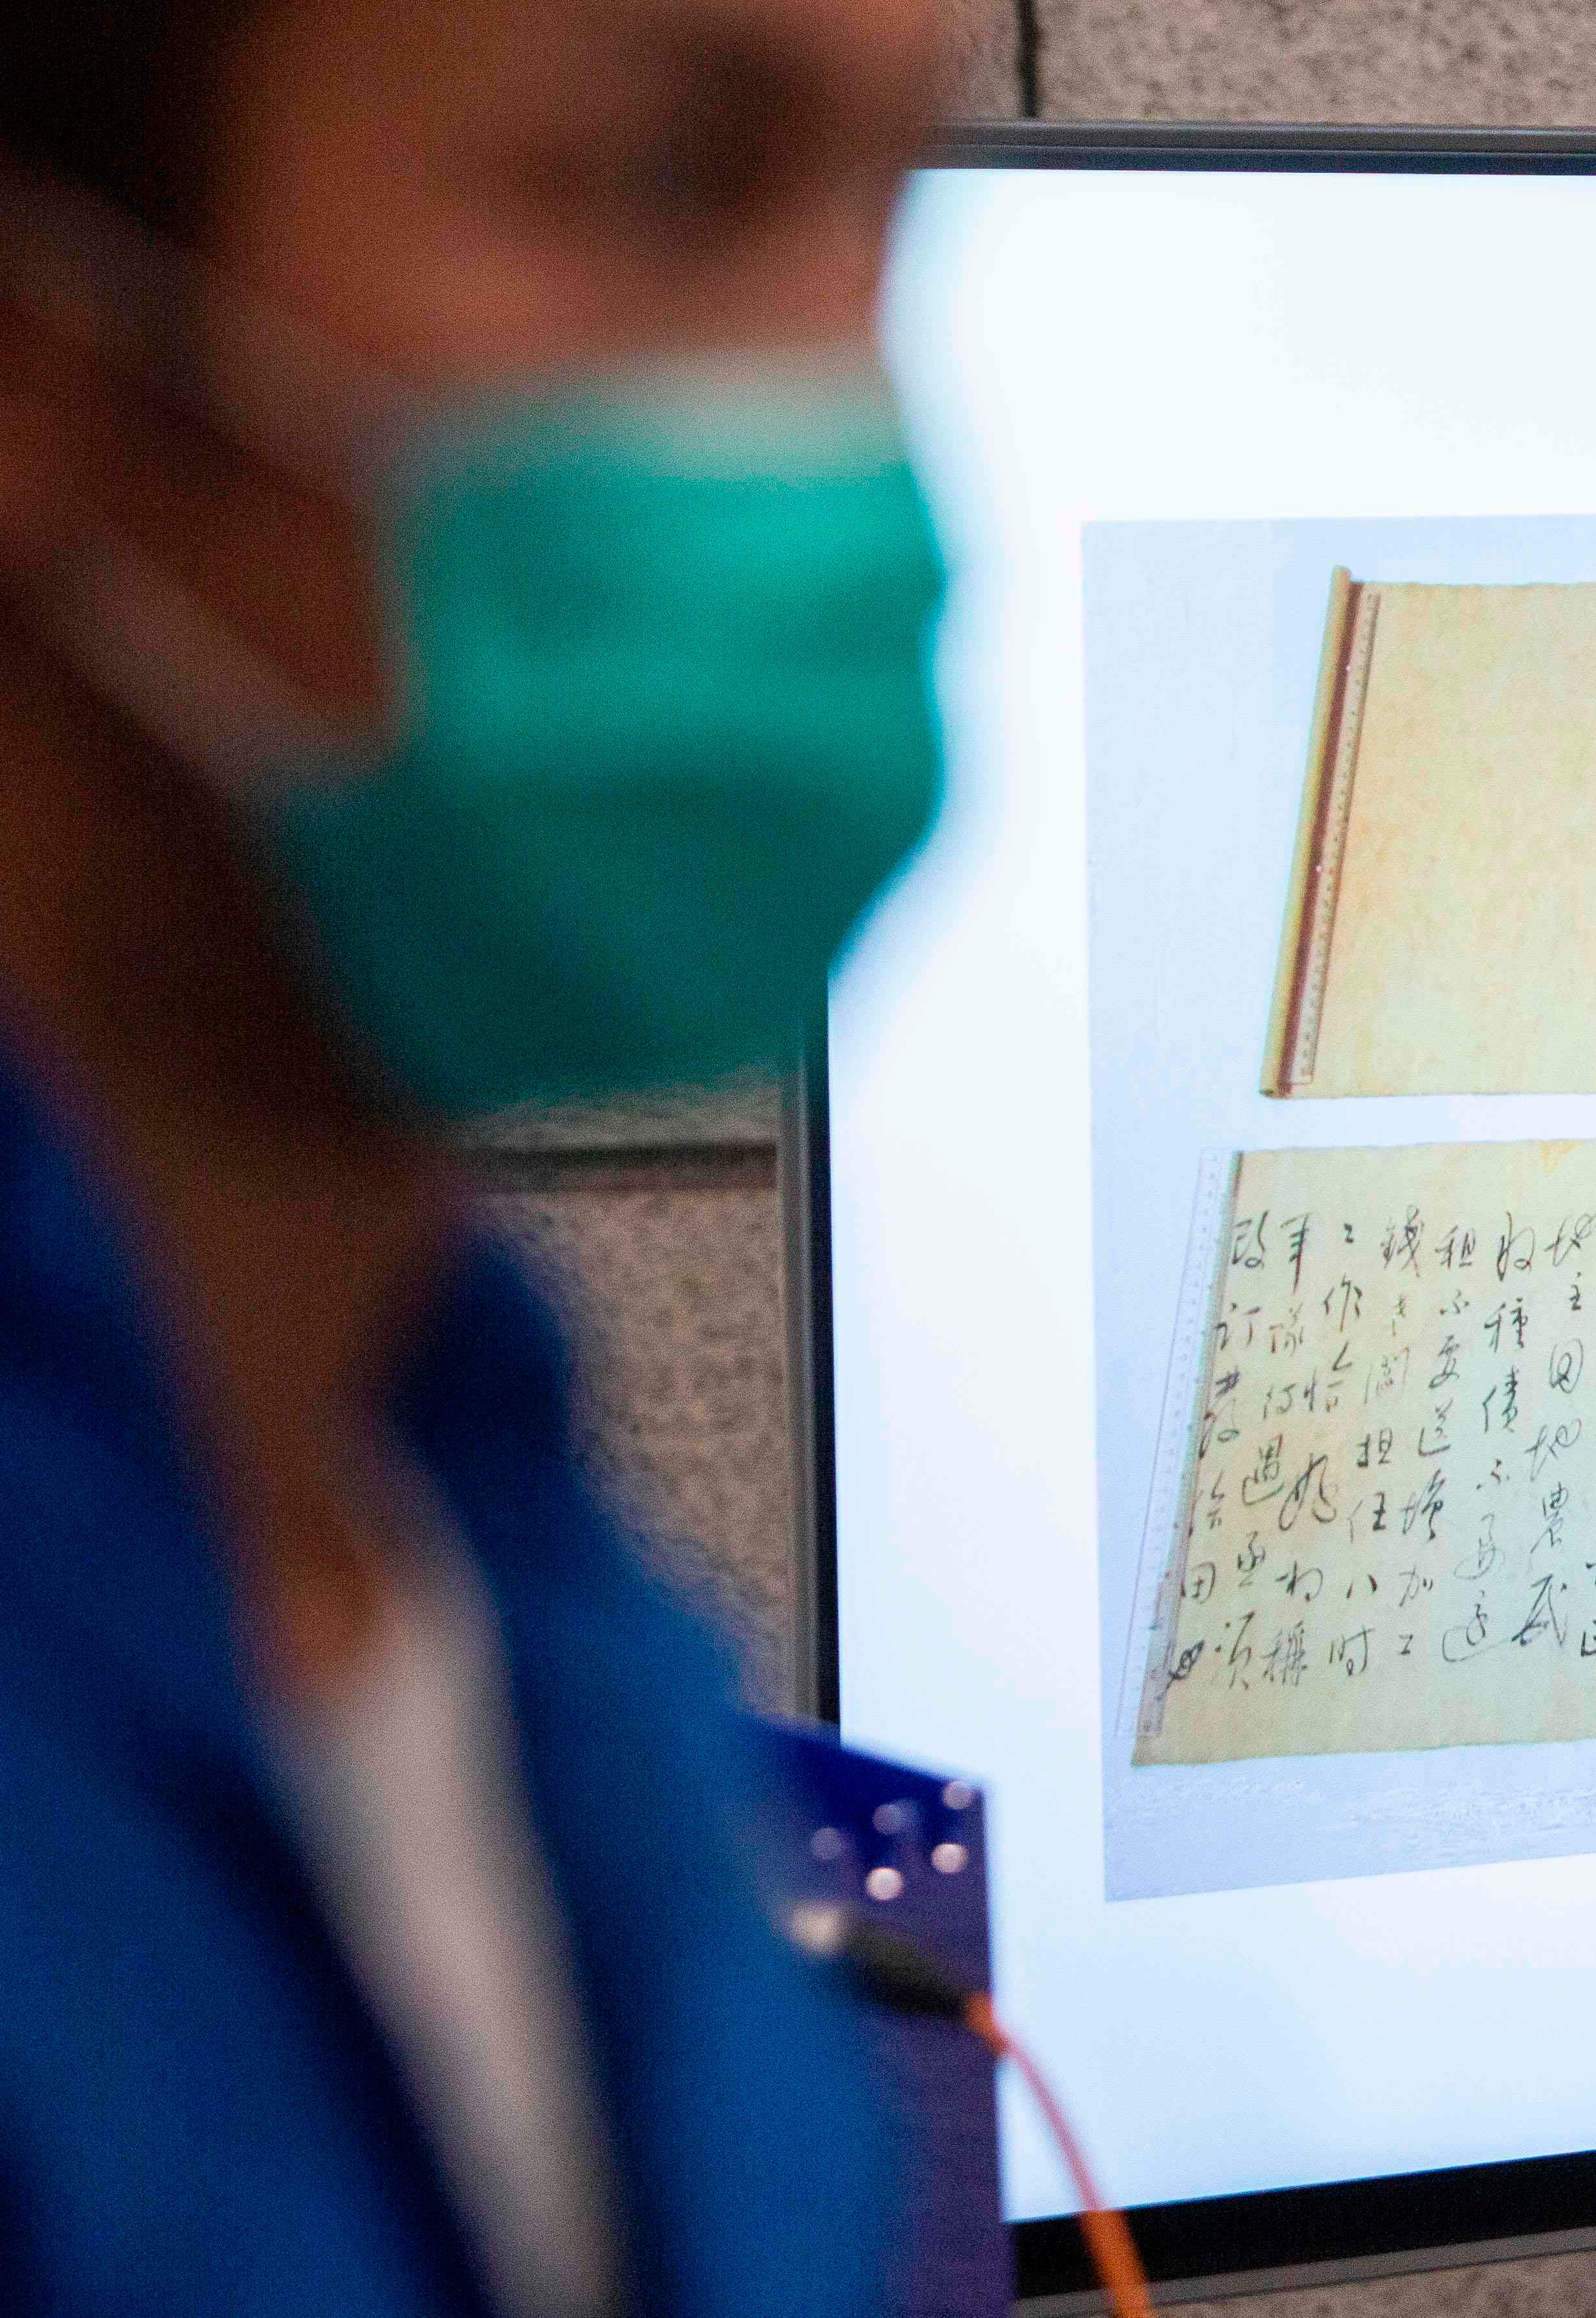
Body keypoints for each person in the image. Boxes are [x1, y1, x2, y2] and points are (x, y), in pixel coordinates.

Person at [0, 3, 955, 2312]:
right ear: (48, 373)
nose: (852, 434)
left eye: (887, 219)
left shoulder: (504, 1573)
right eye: (659, 185)